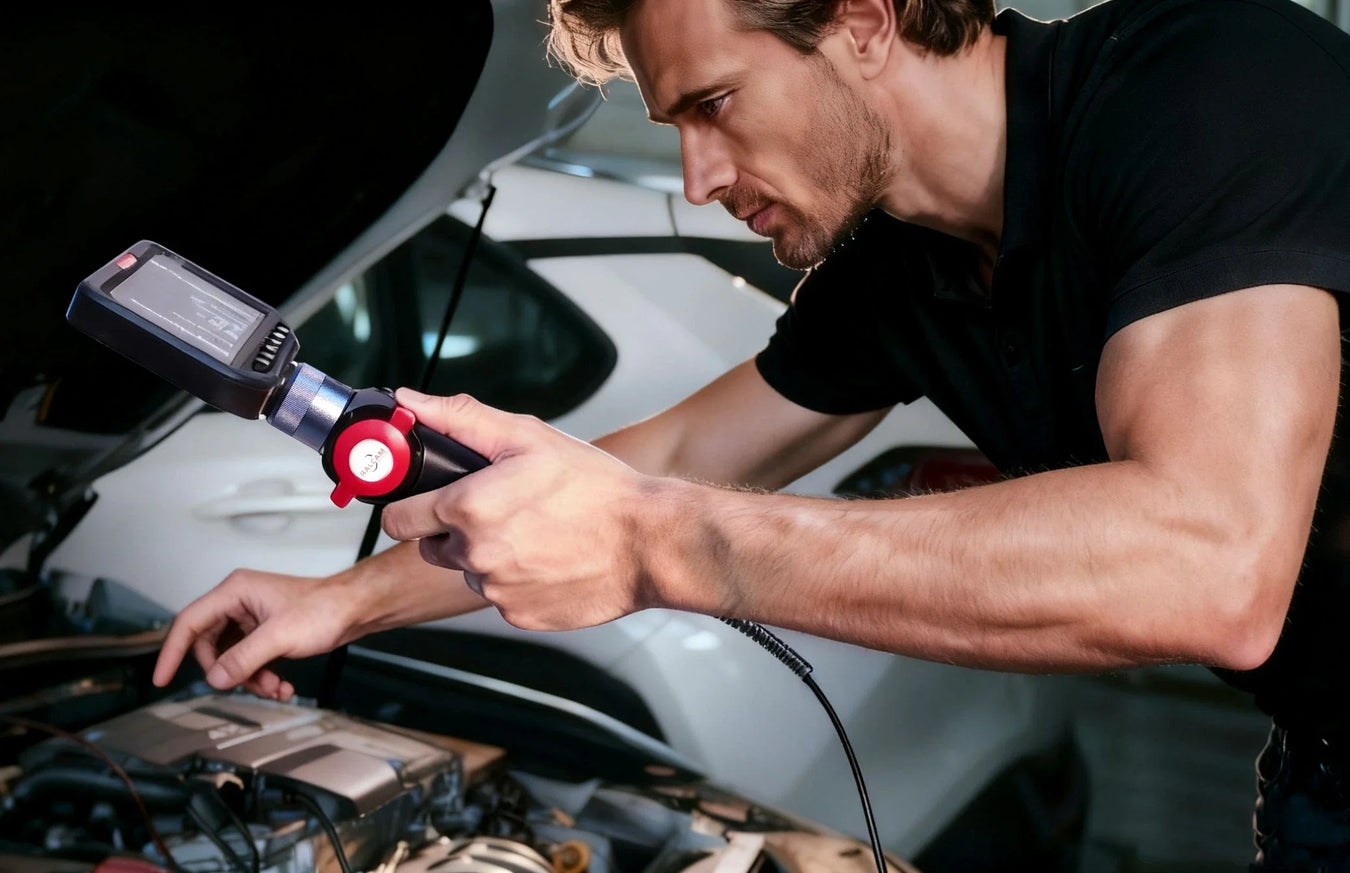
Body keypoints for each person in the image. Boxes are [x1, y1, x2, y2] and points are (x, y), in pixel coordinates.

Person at [152, 0, 1350, 867]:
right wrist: (338, 603)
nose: (696, 175)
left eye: (712, 104)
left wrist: (655, 546)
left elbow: (1210, 566)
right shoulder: (901, 269)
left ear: (867, 20)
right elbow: (663, 463)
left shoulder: (1211, 85)